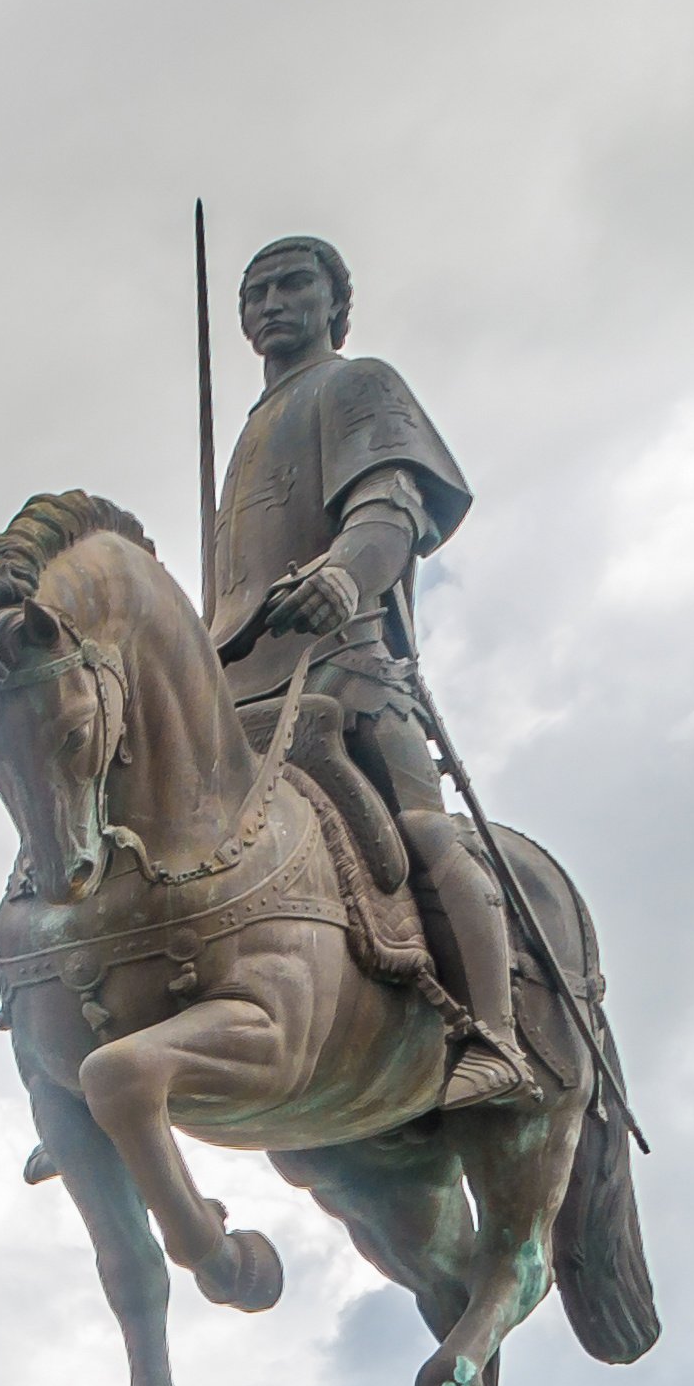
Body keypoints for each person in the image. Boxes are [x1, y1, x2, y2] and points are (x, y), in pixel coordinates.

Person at [211, 234, 542, 1107]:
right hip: (236, 689)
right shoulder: (246, 432)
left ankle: (497, 1037)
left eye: (292, 285)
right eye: (255, 294)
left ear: (333, 303)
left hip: (344, 668)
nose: (271, 304)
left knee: (424, 832)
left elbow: (389, 508)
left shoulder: (357, 385)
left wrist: (341, 576)